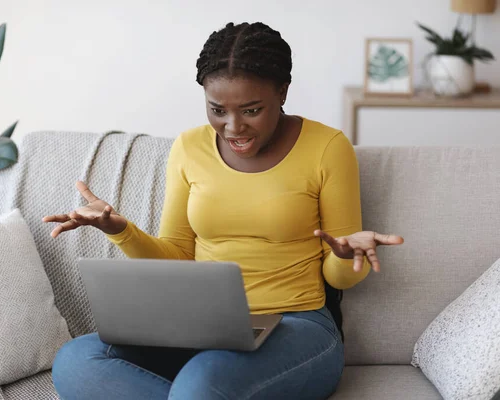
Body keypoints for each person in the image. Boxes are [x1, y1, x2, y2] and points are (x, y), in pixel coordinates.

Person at [44, 21, 404, 400]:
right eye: (217, 110)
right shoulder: (189, 147)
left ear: (282, 92)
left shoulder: (327, 147)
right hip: (203, 327)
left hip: (298, 327)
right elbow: (178, 256)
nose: (233, 128)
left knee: (203, 381)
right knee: (77, 360)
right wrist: (120, 230)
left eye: (251, 110)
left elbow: (339, 276)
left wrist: (345, 255)